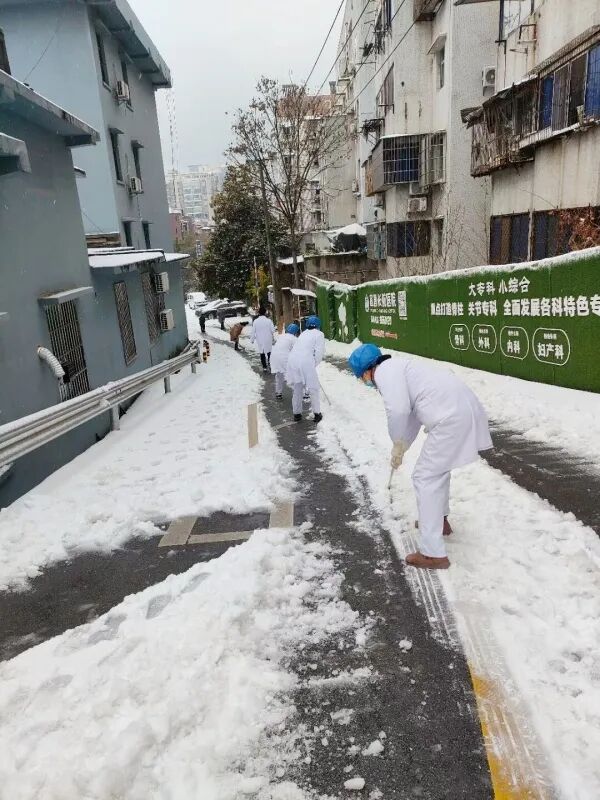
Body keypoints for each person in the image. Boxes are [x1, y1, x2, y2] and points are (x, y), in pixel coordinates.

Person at [348, 343, 493, 570]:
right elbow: (413, 416)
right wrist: (402, 447)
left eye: (361, 377)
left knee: (425, 477)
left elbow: (399, 411)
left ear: (367, 370)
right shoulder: (400, 368)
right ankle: (438, 521)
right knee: (436, 472)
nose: (364, 381)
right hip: (460, 410)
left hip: (450, 418)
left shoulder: (385, 373)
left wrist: (396, 441)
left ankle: (432, 553)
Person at [285, 315, 325, 424]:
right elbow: (319, 353)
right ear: (318, 325)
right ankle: (317, 414)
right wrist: (314, 364)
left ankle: (297, 414)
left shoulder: (303, 333)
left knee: (298, 387)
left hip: (293, 361)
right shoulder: (319, 334)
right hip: (305, 361)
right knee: (313, 388)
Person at [270, 323, 300, 399]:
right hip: (284, 358)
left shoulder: (281, 337)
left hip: (274, 357)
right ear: (295, 332)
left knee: (279, 375)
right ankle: (298, 393)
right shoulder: (293, 338)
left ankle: (278, 392)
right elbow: (298, 350)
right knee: (294, 374)